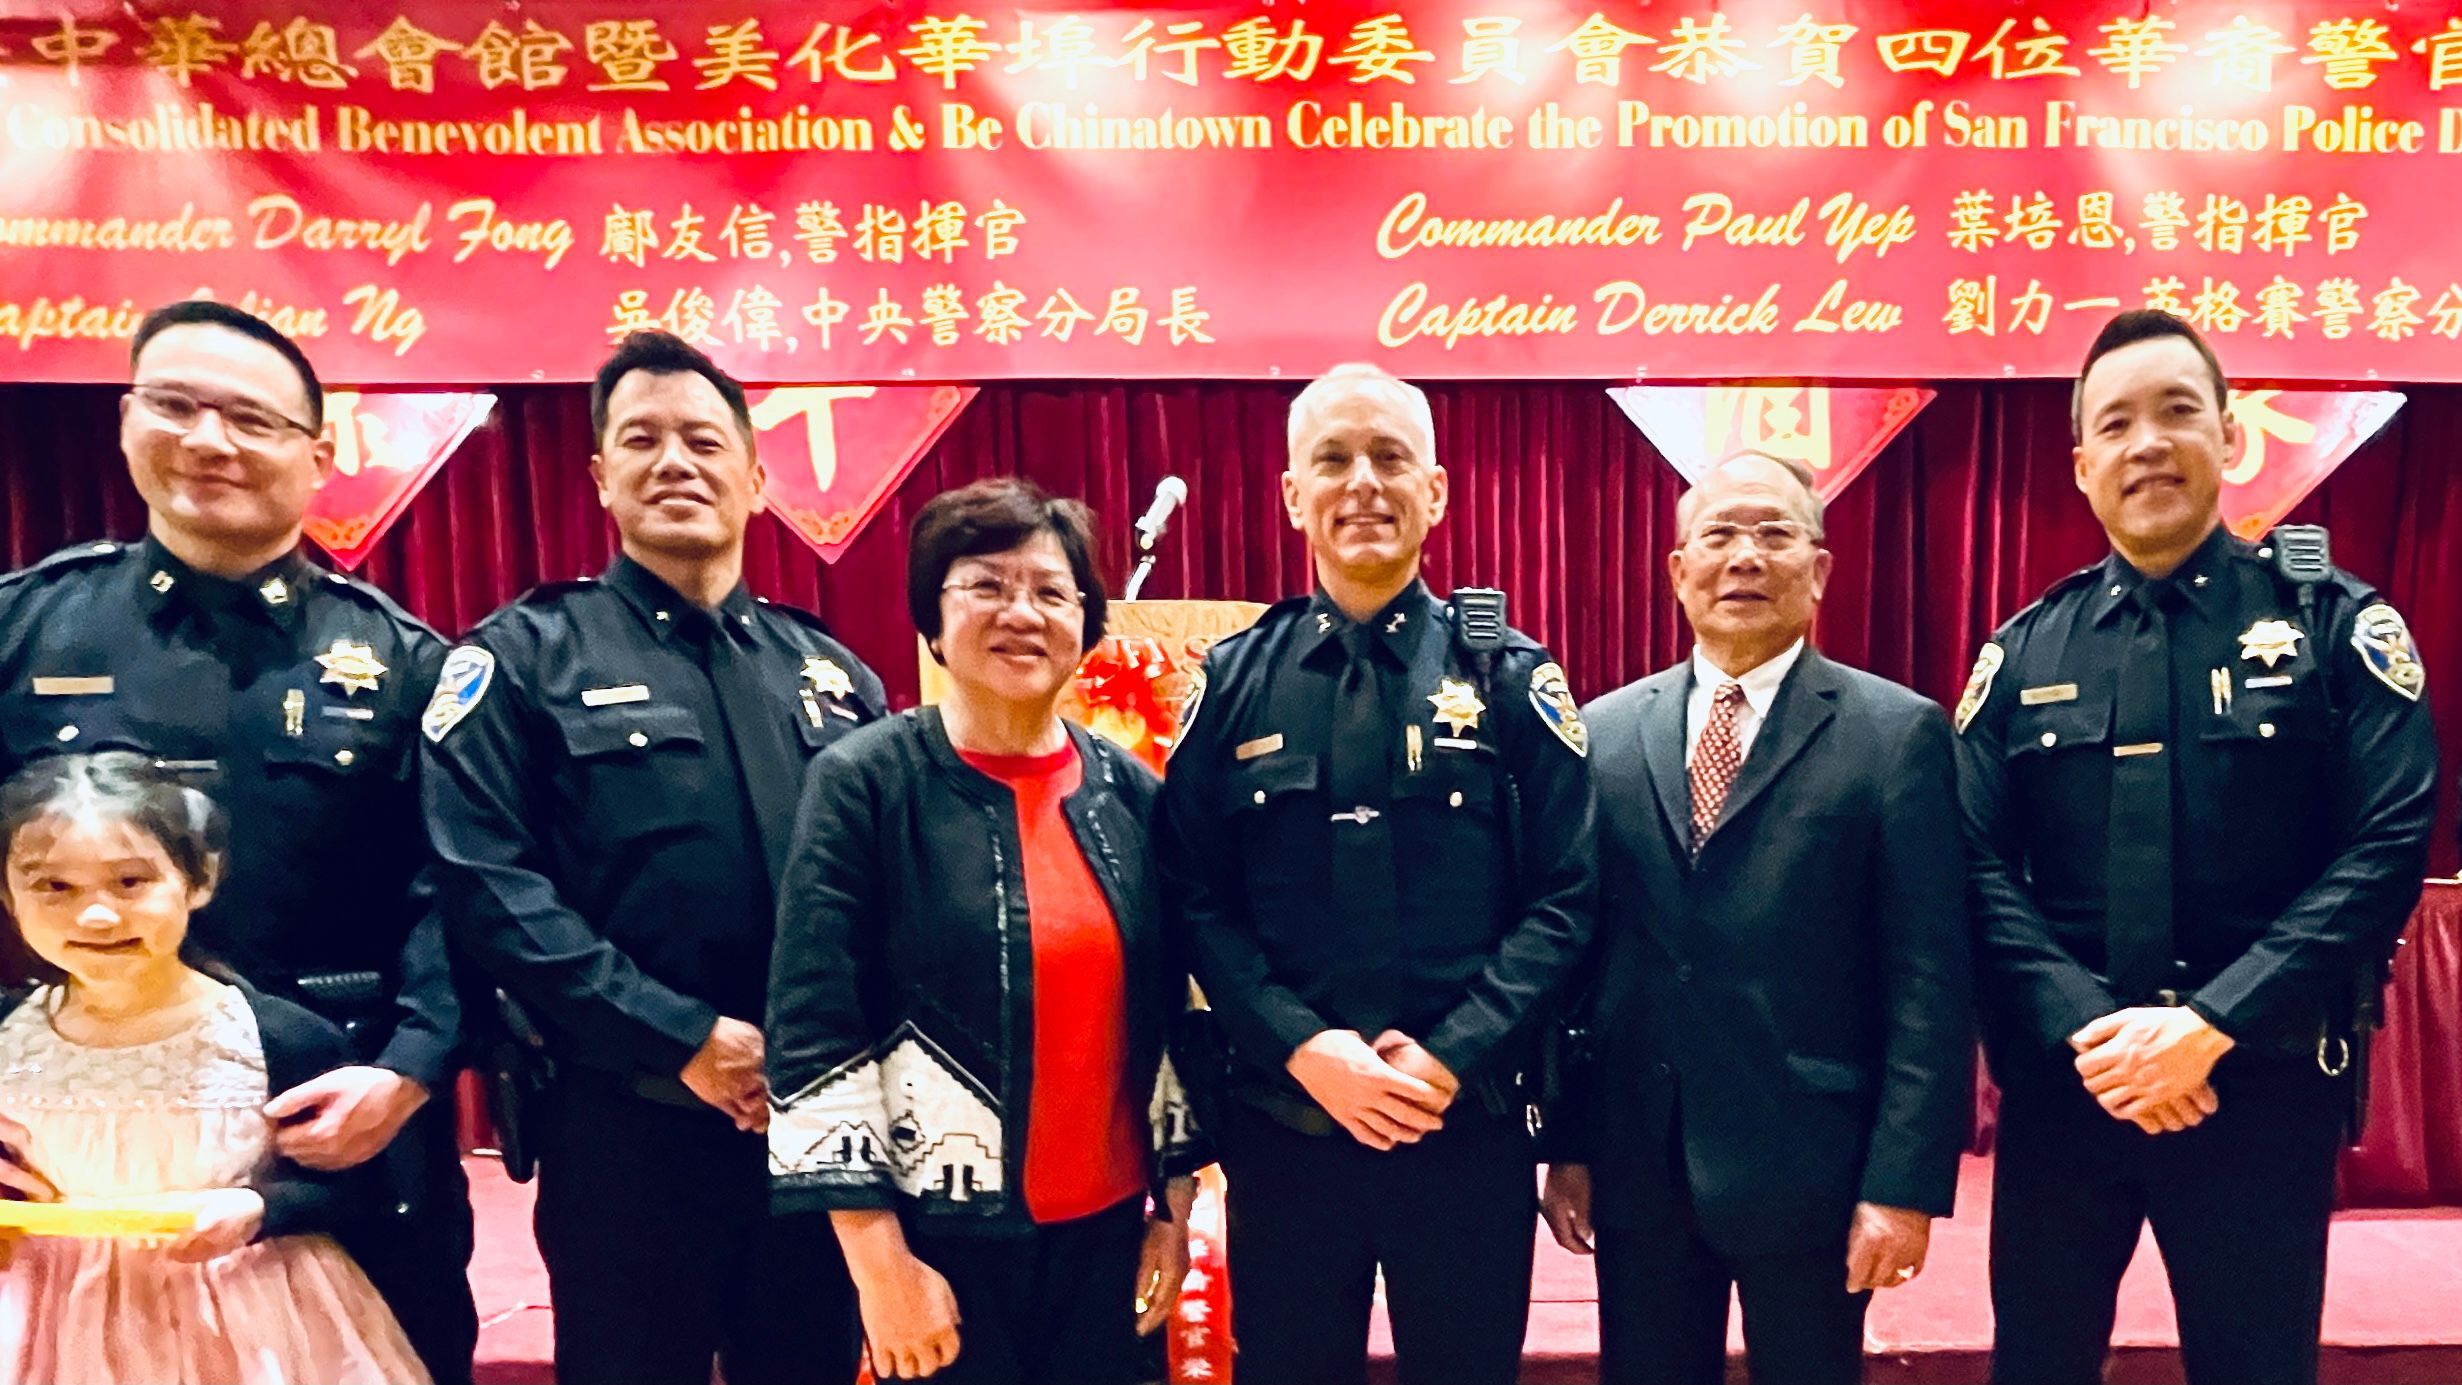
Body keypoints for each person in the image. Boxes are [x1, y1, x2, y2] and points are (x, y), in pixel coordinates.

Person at [1958, 309, 2437, 1385]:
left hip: (2255, 1084)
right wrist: (2095, 1032)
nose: (2145, 444)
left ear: (2227, 436)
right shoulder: (2024, 645)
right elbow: (1974, 863)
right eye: (2114, 424)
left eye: (2176, 411)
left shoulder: (2328, 628)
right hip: (2066, 1089)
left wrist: (2209, 1022)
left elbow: (2385, 844)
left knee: (2254, 1362)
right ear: (2080, 466)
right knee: (2035, 1360)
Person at [0, 299, 474, 1382]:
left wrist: (406, 1073)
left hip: (335, 1117)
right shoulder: (23, 629)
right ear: (126, 422)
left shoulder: (403, 662)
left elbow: (457, 889)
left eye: (250, 420)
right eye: (176, 405)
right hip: (76, 1139)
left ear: (316, 457)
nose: (209, 440)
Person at [420, 330, 882, 1385]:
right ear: (601, 477)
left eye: (702, 440)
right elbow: (487, 882)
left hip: (816, 1134)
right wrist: (678, 1036)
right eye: (642, 439)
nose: (675, 461)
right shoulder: (523, 658)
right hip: (627, 1132)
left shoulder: (834, 673)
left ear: (757, 477)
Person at [1155, 363, 1596, 1385]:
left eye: (1389, 456)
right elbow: (1192, 895)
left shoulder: (1511, 677)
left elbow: (1566, 897)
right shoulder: (1229, 682)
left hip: (1463, 1130)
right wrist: (1303, 1046)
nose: (1362, 481)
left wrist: (1448, 1055)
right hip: (1285, 1131)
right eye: (1333, 459)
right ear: (1290, 494)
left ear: (1433, 492)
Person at [1538, 452, 1972, 1385]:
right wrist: (1569, 1144)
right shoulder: (1605, 731)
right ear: (1678, 569)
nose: (1745, 557)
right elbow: (1581, 957)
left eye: (1774, 533)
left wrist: (1902, 1183)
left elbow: (1931, 974)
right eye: (1720, 535)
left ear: (1817, 570)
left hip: (1812, 1165)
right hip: (1639, 1160)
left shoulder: (1896, 734)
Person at [767, 478, 1209, 1384]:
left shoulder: (1132, 794)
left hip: (1107, 1240)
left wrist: (1173, 1200)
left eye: (1052, 591)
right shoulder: (865, 783)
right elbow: (815, 1028)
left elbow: (1169, 1009)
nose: (1022, 613)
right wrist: (880, 1263)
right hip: (938, 1241)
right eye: (986, 585)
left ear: (1087, 625)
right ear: (934, 616)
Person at [0, 752, 428, 1385]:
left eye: (130, 882)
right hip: (48, 1317)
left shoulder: (278, 1037)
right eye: (52, 887)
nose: (95, 915)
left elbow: (371, 1193)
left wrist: (263, 1207)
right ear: (8, 895)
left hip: (249, 1313)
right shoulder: (8, 1036)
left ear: (198, 879)